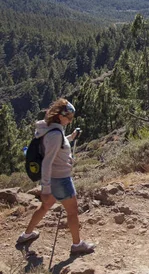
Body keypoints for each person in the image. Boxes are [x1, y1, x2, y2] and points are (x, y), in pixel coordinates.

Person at [16, 99, 95, 254]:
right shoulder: (55, 134)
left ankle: (26, 235)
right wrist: (45, 189)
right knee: (72, 212)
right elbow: (47, 162)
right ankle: (77, 245)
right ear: (60, 116)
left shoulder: (50, 128)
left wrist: (71, 137)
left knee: (45, 206)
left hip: (54, 178)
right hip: (60, 179)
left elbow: (58, 144)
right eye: (69, 117)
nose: (70, 120)